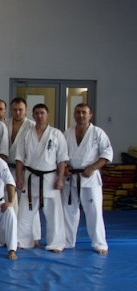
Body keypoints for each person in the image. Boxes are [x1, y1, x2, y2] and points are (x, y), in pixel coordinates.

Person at [15, 104, 68, 253]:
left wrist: (60, 178)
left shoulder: (57, 134)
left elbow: (62, 160)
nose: (39, 116)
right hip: (30, 178)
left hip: (50, 178)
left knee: (54, 214)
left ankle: (56, 243)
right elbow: (19, 158)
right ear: (33, 115)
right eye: (37, 113)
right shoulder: (26, 134)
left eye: (42, 113)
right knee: (25, 213)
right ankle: (23, 240)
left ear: (47, 115)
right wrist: (19, 177)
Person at [62, 104, 113, 254]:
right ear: (74, 115)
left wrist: (93, 167)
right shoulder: (67, 133)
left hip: (90, 178)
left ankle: (99, 243)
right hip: (71, 178)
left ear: (90, 115)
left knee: (94, 212)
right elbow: (60, 154)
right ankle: (68, 241)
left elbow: (107, 154)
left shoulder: (98, 133)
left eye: (84, 112)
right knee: (68, 211)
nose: (81, 115)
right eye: (78, 112)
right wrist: (64, 167)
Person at [6, 98, 41, 247]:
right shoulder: (5, 124)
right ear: (11, 110)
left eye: (20, 109)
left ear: (26, 110)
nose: (17, 112)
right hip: (8, 168)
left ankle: (35, 236)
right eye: (15, 110)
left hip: (26, 169)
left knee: (29, 203)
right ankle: (11, 235)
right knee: (10, 201)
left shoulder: (32, 126)